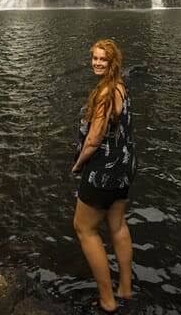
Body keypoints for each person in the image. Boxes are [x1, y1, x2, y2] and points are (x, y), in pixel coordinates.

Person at [71, 38, 135, 313]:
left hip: (103, 171)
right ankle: (125, 289)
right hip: (124, 167)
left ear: (112, 62)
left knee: (84, 228)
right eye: (95, 58)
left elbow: (95, 139)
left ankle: (107, 301)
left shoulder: (105, 93)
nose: (97, 63)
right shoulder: (121, 87)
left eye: (102, 59)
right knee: (117, 225)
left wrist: (78, 164)